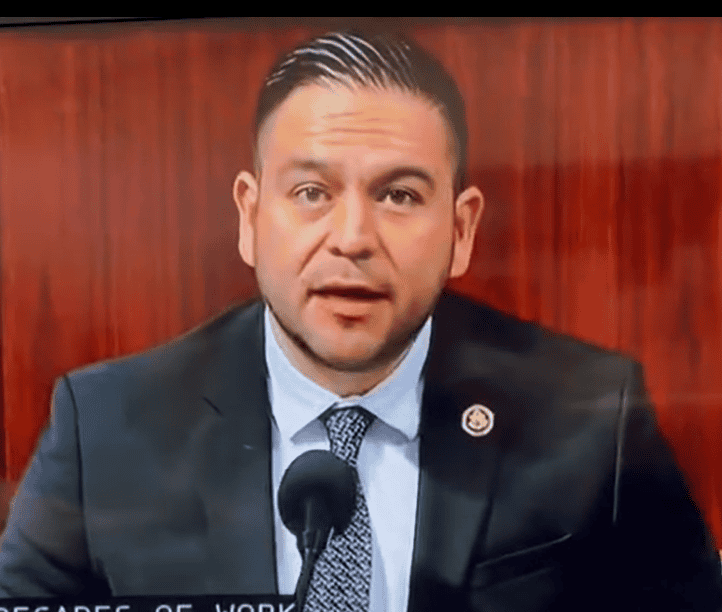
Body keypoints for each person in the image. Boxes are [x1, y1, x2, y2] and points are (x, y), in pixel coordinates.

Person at [0, 30, 720, 612]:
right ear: (250, 218)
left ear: (461, 230)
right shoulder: (106, 430)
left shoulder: (590, 417)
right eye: (311, 191)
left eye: (399, 195)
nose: (352, 237)